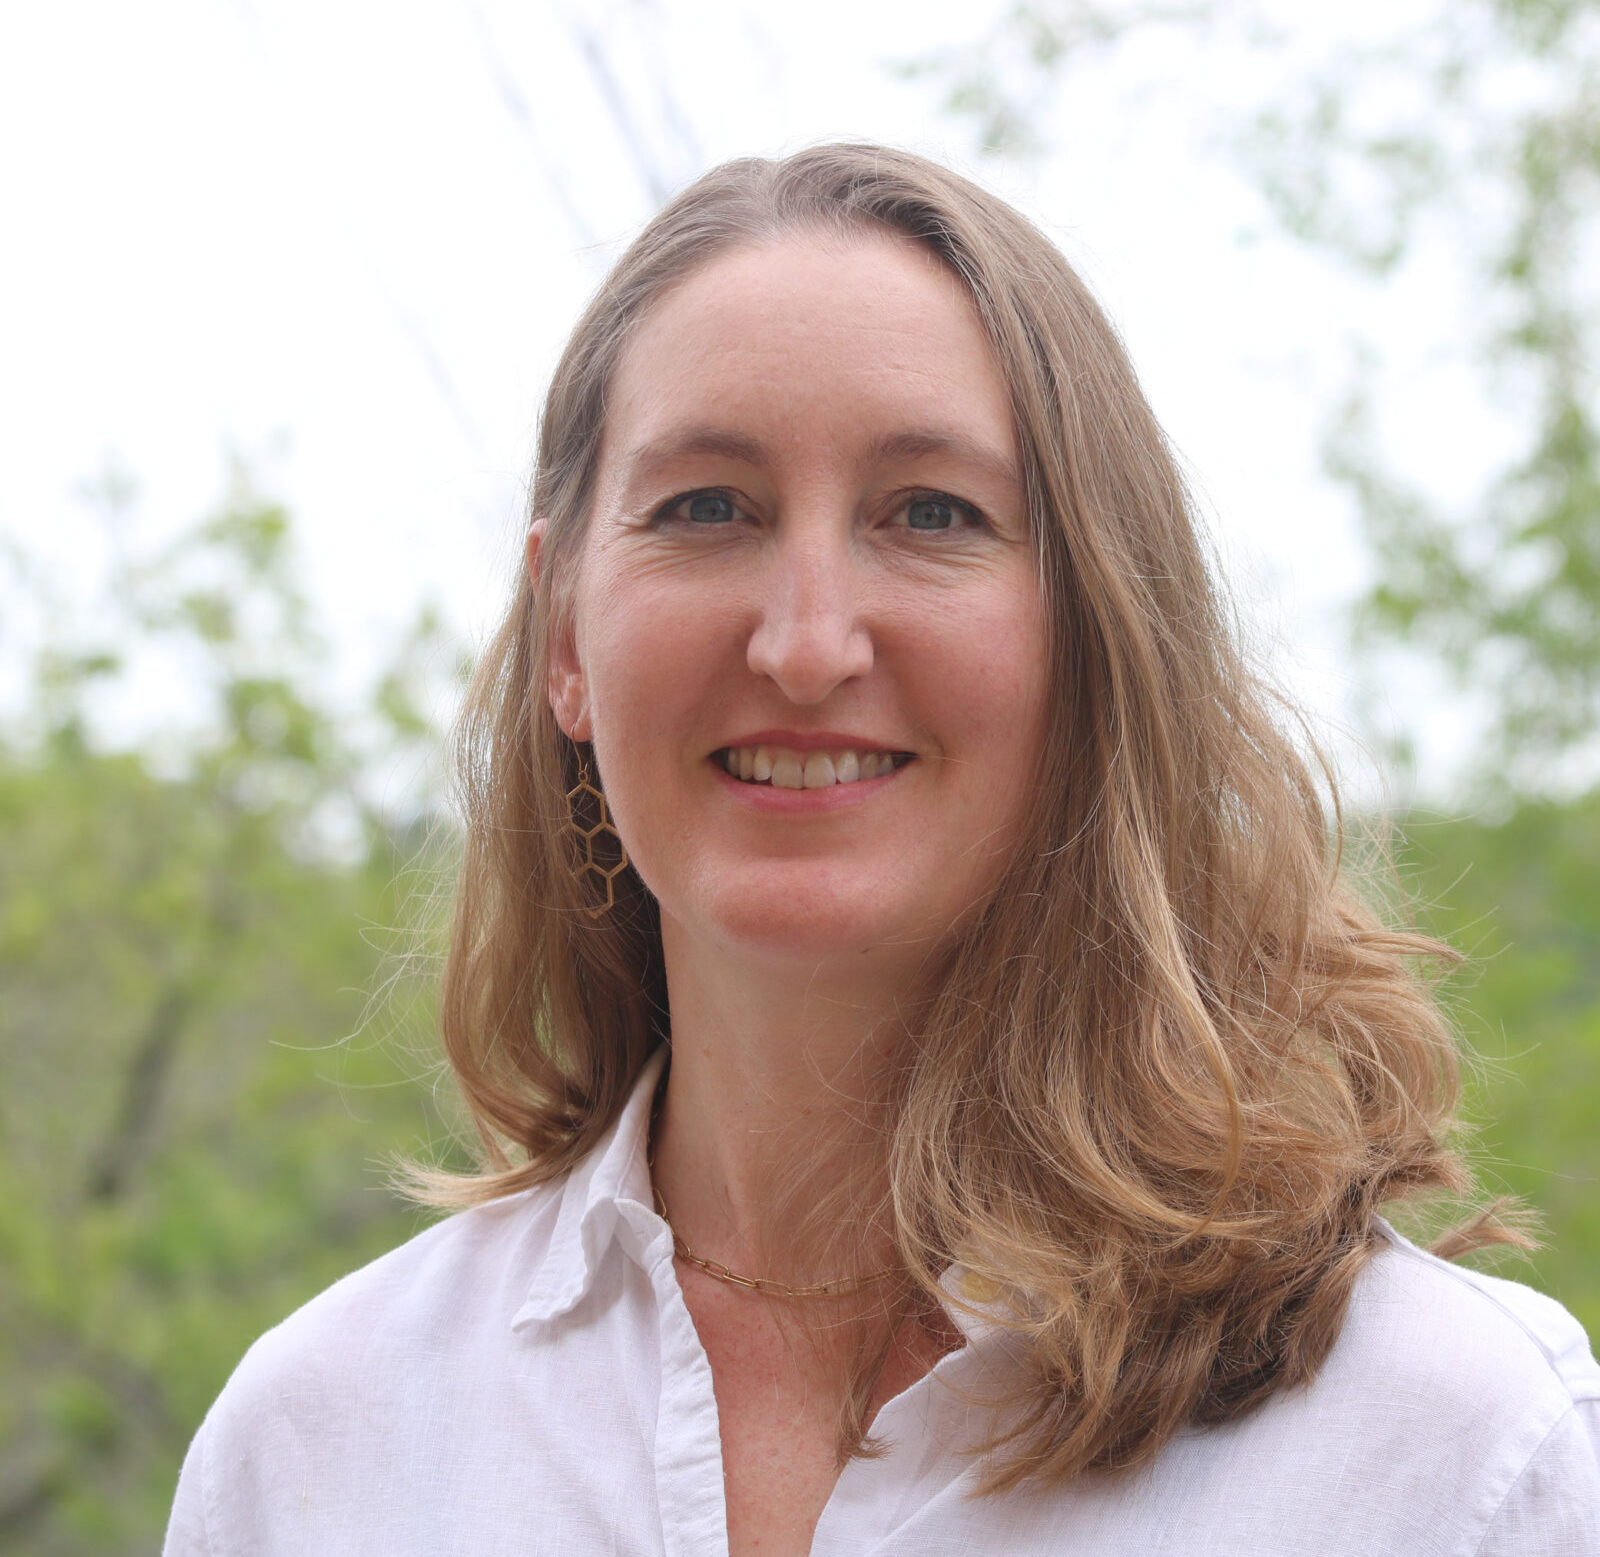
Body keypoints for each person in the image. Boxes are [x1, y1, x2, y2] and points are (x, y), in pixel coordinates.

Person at [164, 143, 1600, 1556]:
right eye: (706, 508)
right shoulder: (321, 1445)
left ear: (1094, 638)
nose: (804, 645)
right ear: (563, 638)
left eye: (931, 514)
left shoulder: (1447, 1453)